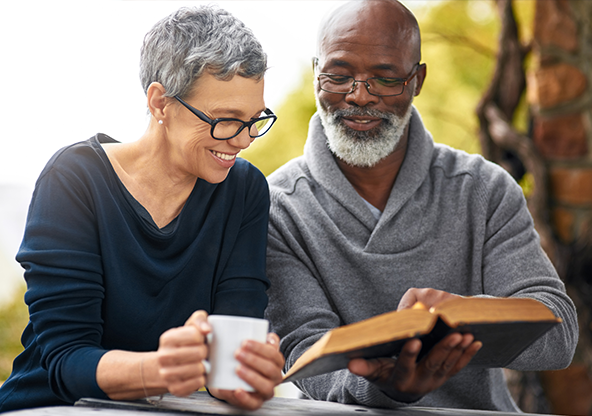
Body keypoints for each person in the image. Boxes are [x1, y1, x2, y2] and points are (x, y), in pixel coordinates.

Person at [264, 0, 578, 412]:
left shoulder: (483, 189)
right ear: (315, 73)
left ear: (418, 80)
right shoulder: (277, 207)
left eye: (385, 78)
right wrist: (383, 387)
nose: (359, 96)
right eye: (339, 76)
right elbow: (304, 352)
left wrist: (464, 319)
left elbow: (558, 335)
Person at [0, 6, 284, 413]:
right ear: (160, 103)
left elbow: (230, 364)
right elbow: (65, 361)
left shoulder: (245, 190)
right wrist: (159, 370)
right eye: (225, 120)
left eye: (255, 120)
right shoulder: (75, 179)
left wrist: (246, 374)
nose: (243, 141)